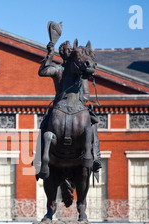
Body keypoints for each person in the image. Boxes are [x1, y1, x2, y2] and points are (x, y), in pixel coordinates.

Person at [35, 40, 102, 179]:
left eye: (69, 49)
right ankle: (40, 159)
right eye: (65, 50)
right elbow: (42, 71)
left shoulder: (79, 72)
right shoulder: (58, 69)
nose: (67, 51)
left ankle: (95, 157)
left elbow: (87, 94)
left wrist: (79, 101)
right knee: (44, 125)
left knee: (92, 124)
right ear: (61, 53)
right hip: (60, 104)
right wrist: (49, 54)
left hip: (78, 105)